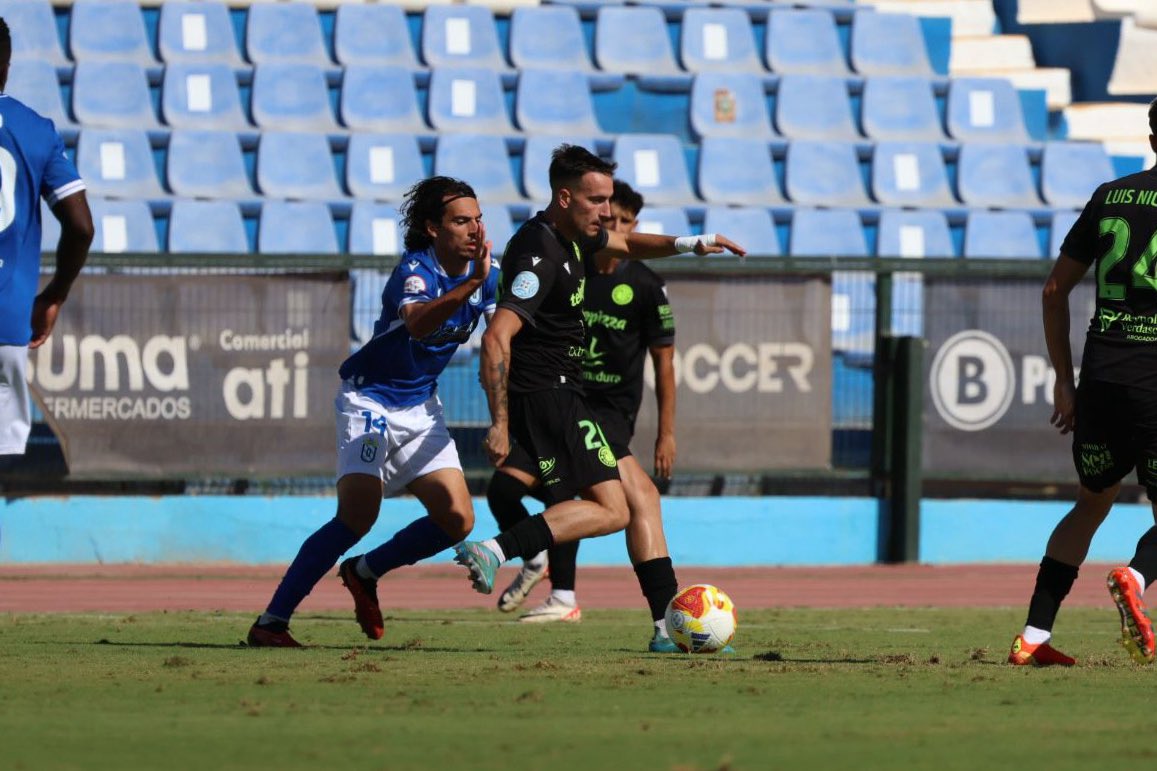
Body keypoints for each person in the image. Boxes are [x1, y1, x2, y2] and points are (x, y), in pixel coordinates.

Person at [454, 144, 744, 651]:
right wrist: (498, 422)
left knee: (640, 499)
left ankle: (664, 630)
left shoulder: (575, 236)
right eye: (596, 200)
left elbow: (630, 246)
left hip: (568, 395)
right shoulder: (540, 254)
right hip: (547, 395)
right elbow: (496, 337)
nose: (607, 211)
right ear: (565, 198)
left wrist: (691, 242)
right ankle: (495, 552)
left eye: (609, 198)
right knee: (613, 510)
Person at [248, 176, 497, 647]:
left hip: (421, 407)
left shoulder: (488, 272)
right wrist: (474, 286)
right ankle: (271, 622)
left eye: (478, 219)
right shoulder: (416, 270)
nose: (475, 230)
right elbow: (421, 324)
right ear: (431, 228)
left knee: (458, 520)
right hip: (371, 402)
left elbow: (507, 330)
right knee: (357, 516)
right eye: (462, 220)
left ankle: (365, 571)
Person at [488, 181, 679, 642]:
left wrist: (666, 432)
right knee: (503, 490)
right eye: (607, 215)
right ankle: (527, 555)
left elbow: (665, 364)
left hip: (608, 412)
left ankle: (574, 598)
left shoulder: (646, 286)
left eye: (623, 219)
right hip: (561, 402)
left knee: (632, 499)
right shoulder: (570, 267)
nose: (613, 224)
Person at [1008, 97, 1157, 667]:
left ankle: (1034, 637)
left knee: (1092, 501)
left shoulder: (1110, 195)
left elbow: (1053, 291)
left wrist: (1063, 384)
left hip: (1099, 378)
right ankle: (1137, 580)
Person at [0, 17, 94, 457]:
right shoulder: (35, 130)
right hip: (6, 324)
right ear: (7, 66)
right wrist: (53, 295)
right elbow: (81, 226)